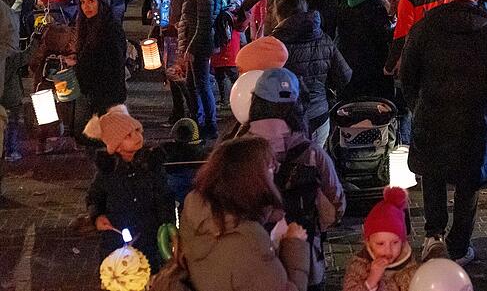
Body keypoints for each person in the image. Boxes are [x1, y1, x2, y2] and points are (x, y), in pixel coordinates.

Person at [400, 0, 487, 265]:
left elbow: (407, 73)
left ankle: (433, 235)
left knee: (433, 176)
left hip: (433, 115)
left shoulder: (426, 28)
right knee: (469, 183)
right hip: (475, 120)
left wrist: (417, 103)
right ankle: (460, 245)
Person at [245, 67, 346, 289]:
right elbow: (337, 207)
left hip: (251, 261)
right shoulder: (312, 154)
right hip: (306, 261)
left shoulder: (236, 152)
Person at [180, 136, 311, 291]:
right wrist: (294, 244)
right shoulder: (249, 240)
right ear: (251, 179)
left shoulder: (196, 209)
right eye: (270, 167)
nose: (273, 173)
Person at [87, 110, 174, 269]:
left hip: (150, 236)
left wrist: (167, 226)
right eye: (128, 135)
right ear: (116, 146)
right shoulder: (108, 170)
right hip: (116, 238)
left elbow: (164, 196)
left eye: (137, 131)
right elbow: (95, 197)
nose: (137, 137)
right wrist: (97, 216)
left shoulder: (151, 164)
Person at [271, 0, 351, 147]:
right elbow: (344, 76)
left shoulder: (273, 43)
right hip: (319, 116)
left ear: (279, 14)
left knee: (287, 168)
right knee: (315, 166)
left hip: (285, 119)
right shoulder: (324, 39)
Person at [74, 0, 127, 132]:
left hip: (106, 95)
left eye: (91, 1)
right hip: (91, 92)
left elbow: (114, 65)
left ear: (101, 2)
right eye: (83, 2)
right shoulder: (86, 26)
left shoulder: (111, 28)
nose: (86, 7)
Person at [178, 0, 222, 139]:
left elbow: (204, 24)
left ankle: (209, 124)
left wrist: (191, 48)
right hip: (196, 43)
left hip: (200, 45)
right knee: (192, 84)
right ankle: (198, 119)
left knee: (201, 84)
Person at [341, 187, 418, 291]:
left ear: (402, 242)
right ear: (368, 242)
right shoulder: (359, 267)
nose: (388, 250)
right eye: (380, 244)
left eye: (395, 242)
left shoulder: (410, 268)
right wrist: (370, 282)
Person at [336, 0, 394, 101]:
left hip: (348, 62)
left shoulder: (345, 4)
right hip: (372, 67)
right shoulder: (376, 7)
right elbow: (382, 37)